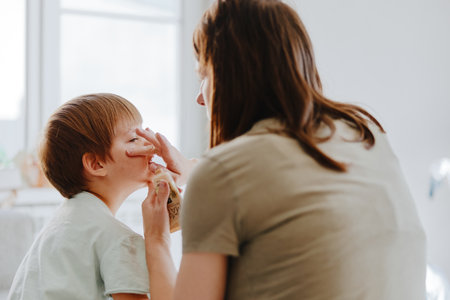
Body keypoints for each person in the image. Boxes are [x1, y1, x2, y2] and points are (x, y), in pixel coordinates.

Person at [130, 0, 427, 299]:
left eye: (204, 75)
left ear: (232, 76)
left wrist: (157, 239)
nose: (200, 98)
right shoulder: (364, 134)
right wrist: (196, 170)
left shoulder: (223, 174)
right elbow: (293, 183)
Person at [8, 93, 154, 300]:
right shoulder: (118, 238)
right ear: (96, 164)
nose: (150, 142)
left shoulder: (60, 225)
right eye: (134, 138)